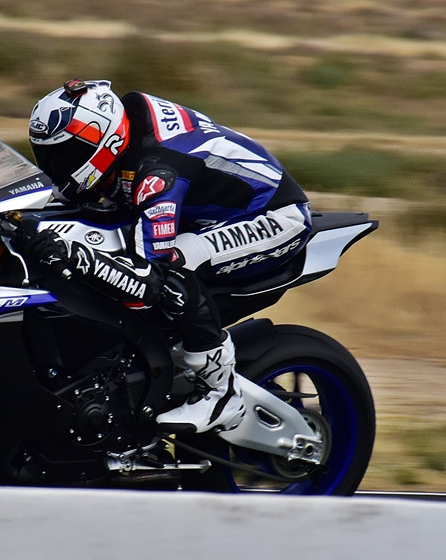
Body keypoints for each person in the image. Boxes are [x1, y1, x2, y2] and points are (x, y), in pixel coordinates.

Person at [19, 79, 312, 436]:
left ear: (104, 140)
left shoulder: (158, 173)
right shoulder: (122, 137)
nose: (57, 167)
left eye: (66, 156)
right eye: (48, 156)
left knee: (176, 267)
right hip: (208, 209)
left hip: (273, 217)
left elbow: (147, 281)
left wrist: (76, 256)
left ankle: (222, 393)